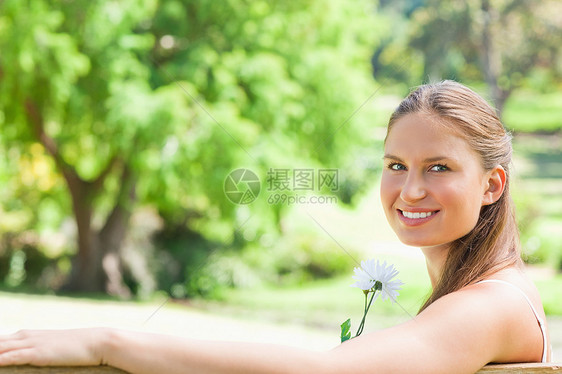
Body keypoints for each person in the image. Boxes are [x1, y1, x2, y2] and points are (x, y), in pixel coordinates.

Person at [0, 81, 551, 373]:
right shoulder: (479, 291)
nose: (409, 190)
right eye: (395, 166)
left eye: (440, 167)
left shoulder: (490, 305)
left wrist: (107, 341)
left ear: (492, 185)